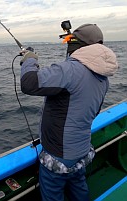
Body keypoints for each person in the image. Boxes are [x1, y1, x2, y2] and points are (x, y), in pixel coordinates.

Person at [19, 23, 118, 201]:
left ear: (78, 45)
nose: (67, 44)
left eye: (68, 41)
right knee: (79, 188)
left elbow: (29, 83)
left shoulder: (70, 71)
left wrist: (29, 59)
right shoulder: (104, 78)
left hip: (58, 156)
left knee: (53, 195)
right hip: (82, 150)